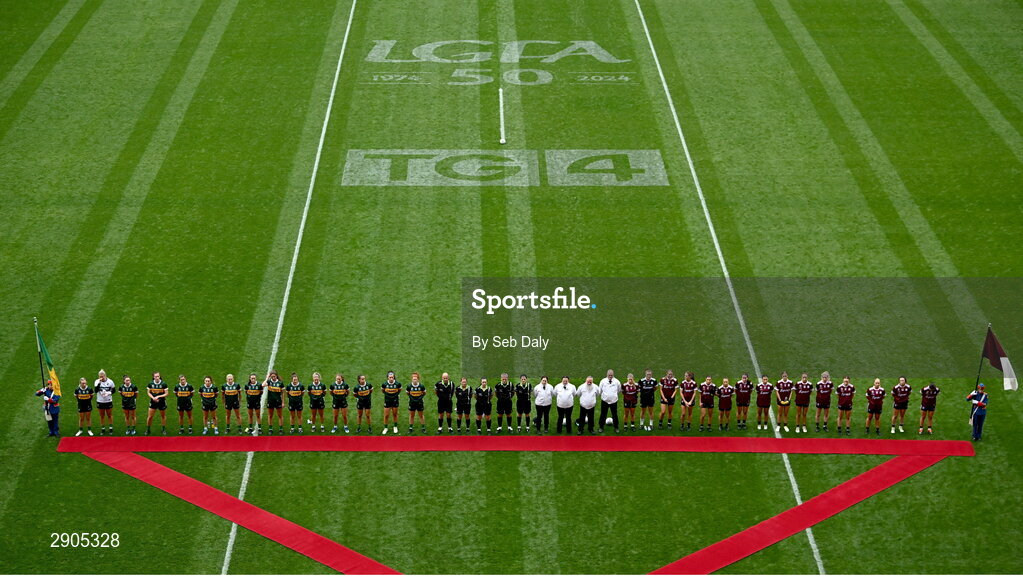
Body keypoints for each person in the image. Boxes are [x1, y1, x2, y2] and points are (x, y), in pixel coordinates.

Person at [598, 369, 621, 433]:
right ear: (607, 375)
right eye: (609, 375)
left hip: (613, 401)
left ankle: (616, 427)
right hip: (605, 401)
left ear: (613, 375)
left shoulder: (617, 381)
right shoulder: (603, 381)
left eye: (611, 375)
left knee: (614, 414)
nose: (610, 376)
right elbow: (600, 390)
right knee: (603, 414)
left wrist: (613, 395)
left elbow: (619, 390)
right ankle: (601, 427)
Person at [94, 370, 116, 436]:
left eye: (102, 376)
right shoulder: (97, 381)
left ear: (105, 375)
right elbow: (95, 391)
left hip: (108, 400)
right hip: (100, 401)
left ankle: (111, 428)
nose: (101, 378)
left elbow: (114, 390)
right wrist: (98, 383)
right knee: (102, 415)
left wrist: (109, 393)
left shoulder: (110, 381)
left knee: (109, 415)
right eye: (100, 376)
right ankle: (103, 429)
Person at [264, 371, 285, 435]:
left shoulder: (280, 383)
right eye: (272, 376)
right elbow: (263, 385)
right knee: (270, 415)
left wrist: (283, 402)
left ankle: (281, 429)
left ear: (276, 376)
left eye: (274, 376)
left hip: (278, 401)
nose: (273, 378)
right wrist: (267, 377)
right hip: (270, 401)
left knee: (280, 415)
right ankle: (270, 429)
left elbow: (283, 393)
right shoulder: (269, 382)